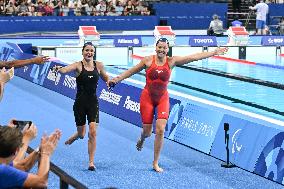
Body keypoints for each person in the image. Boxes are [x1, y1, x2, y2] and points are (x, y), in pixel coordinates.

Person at [108, 38, 228, 172]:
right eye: (160, 47)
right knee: (147, 132)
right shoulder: (147, 61)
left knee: (160, 130)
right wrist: (117, 79)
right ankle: (142, 137)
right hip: (147, 98)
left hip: (162, 99)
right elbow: (131, 71)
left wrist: (214, 52)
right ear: (156, 47)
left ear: (167, 49)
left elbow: (193, 57)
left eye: (164, 48)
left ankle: (155, 163)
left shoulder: (172, 61)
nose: (162, 50)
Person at [52, 42, 110, 171]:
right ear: (82, 52)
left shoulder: (99, 65)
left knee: (93, 132)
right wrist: (59, 69)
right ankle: (76, 136)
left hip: (93, 103)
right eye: (87, 50)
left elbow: (106, 77)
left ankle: (91, 162)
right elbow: (65, 69)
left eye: (91, 51)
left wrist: (110, 81)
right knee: (82, 134)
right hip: (79, 104)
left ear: (94, 53)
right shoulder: (78, 65)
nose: (89, 53)